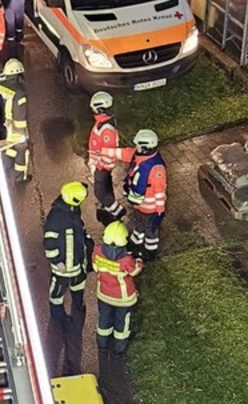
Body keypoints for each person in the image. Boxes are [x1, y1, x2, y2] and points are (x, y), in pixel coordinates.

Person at [104, 129, 168, 261]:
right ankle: (135, 242)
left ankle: (150, 252)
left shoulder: (156, 169)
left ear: (145, 147)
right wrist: (104, 151)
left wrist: (159, 210)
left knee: (151, 231)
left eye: (138, 145)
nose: (136, 148)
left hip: (150, 209)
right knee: (138, 224)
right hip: (139, 206)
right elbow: (124, 153)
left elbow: (159, 191)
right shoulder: (139, 156)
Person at [43, 182, 92, 325]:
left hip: (77, 262)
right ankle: (58, 315)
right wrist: (57, 261)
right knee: (57, 293)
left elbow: (78, 231)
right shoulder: (56, 218)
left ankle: (78, 303)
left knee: (79, 284)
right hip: (63, 267)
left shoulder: (72, 209)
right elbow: (49, 243)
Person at [93, 221, 144, 356]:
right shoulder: (126, 260)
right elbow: (134, 271)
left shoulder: (97, 251)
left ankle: (102, 344)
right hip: (123, 300)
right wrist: (139, 262)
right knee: (122, 324)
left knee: (104, 320)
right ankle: (119, 350)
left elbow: (95, 267)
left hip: (103, 295)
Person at [86, 92, 126, 225]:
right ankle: (108, 207)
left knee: (100, 192)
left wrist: (99, 167)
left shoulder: (107, 129)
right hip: (100, 165)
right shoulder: (103, 122)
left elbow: (109, 154)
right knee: (106, 188)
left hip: (102, 167)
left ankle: (117, 211)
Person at [0, 58, 30, 180]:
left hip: (1, 124)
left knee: (4, 145)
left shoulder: (0, 86)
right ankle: (20, 177)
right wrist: (22, 132)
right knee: (22, 149)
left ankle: (4, 166)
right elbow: (20, 115)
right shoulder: (19, 94)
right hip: (13, 127)